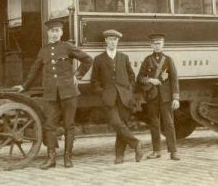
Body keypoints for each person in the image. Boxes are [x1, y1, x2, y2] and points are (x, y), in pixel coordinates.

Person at [14, 18, 93, 169]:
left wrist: (77, 76)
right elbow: (35, 70)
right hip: (51, 94)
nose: (54, 34)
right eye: (52, 31)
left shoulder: (67, 47)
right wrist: (24, 86)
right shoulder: (43, 50)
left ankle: (68, 158)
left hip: (69, 92)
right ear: (48, 33)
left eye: (57, 31)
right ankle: (51, 159)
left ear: (61, 32)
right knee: (50, 125)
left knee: (69, 125)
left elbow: (88, 60)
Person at [90, 29, 143, 164]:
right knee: (116, 122)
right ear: (106, 41)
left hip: (125, 97)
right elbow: (94, 80)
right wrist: (102, 92)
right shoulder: (99, 59)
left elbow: (132, 76)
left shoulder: (123, 57)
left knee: (122, 125)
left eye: (115, 39)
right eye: (110, 39)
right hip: (109, 98)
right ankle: (136, 143)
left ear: (117, 41)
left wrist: (129, 90)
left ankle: (119, 155)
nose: (112, 42)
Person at [137, 33, 180, 161]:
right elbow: (139, 78)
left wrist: (176, 97)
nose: (157, 46)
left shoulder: (168, 60)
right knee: (154, 124)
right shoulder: (147, 60)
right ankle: (156, 151)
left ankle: (173, 151)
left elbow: (174, 80)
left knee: (169, 124)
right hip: (152, 97)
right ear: (151, 45)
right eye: (155, 44)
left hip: (166, 98)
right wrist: (150, 80)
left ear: (163, 45)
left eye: (159, 43)